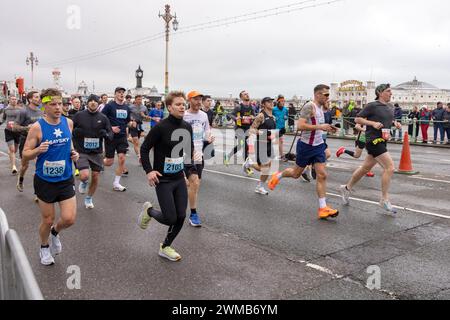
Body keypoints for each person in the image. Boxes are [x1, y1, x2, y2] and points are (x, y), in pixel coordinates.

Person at [22, 88, 79, 266]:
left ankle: (55, 232)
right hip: (45, 180)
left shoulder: (68, 122)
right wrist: (38, 150)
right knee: (47, 219)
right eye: (52, 104)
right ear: (44, 106)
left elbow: (69, 143)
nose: (57, 107)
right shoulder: (37, 127)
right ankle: (44, 247)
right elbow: (25, 154)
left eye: (60, 104)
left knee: (69, 218)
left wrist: (73, 153)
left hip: (65, 177)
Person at [267, 84, 339, 219]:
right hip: (306, 146)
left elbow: (320, 125)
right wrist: (321, 127)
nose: (328, 97)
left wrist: (329, 127)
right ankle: (279, 175)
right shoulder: (309, 106)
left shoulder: (322, 107)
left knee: (322, 175)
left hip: (319, 146)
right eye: (326, 95)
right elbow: (300, 126)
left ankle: (323, 208)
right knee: (295, 174)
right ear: (318, 94)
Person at [138, 91, 194, 262]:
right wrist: (149, 171)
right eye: (178, 104)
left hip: (178, 178)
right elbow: (144, 149)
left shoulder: (186, 126)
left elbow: (187, 152)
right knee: (170, 218)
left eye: (183, 104)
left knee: (181, 216)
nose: (182, 107)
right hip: (163, 179)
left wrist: (187, 173)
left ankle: (165, 246)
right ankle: (149, 211)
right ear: (169, 107)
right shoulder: (160, 127)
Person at [340, 84, 401, 214]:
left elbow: (388, 121)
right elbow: (357, 118)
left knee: (365, 168)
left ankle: (346, 187)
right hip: (373, 140)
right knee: (389, 168)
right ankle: (384, 199)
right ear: (380, 92)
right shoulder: (372, 105)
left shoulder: (390, 107)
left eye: (391, 91)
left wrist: (396, 124)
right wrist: (372, 123)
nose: (391, 93)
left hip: (383, 140)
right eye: (388, 91)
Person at [72, 94, 113, 209]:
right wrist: (75, 132)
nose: (93, 103)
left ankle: (89, 198)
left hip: (96, 152)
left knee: (95, 176)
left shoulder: (103, 118)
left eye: (95, 101)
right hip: (82, 151)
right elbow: (69, 130)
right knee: (84, 176)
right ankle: (84, 182)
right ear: (87, 103)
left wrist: (105, 134)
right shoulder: (79, 116)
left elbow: (110, 134)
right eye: (90, 101)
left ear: (98, 103)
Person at [183, 91, 214, 227]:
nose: (198, 102)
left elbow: (206, 131)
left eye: (200, 99)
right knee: (194, 182)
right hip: (184, 153)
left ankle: (183, 190)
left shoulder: (204, 115)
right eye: (195, 99)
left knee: (195, 185)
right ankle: (193, 214)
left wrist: (209, 140)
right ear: (189, 100)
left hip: (198, 154)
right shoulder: (183, 115)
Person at [243, 97, 277, 195]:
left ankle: (259, 186)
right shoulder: (261, 116)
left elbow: (271, 132)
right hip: (261, 144)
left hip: (269, 144)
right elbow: (252, 129)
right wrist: (263, 133)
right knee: (264, 168)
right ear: (263, 104)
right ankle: (250, 163)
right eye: (268, 102)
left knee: (268, 168)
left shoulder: (273, 117)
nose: (271, 103)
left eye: (272, 102)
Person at [102, 87, 132, 191]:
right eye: (119, 92)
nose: (121, 94)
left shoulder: (126, 107)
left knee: (122, 158)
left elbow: (127, 121)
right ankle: (97, 161)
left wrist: (132, 123)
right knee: (109, 162)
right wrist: (111, 128)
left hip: (122, 137)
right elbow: (101, 120)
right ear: (115, 94)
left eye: (123, 92)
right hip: (111, 137)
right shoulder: (109, 106)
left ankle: (116, 183)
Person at [14, 91, 44, 193]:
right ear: (30, 99)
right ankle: (21, 179)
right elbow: (15, 127)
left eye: (39, 97)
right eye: (36, 97)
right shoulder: (23, 111)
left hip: (39, 142)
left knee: (39, 166)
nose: (38, 98)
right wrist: (27, 128)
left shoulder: (41, 111)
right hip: (26, 141)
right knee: (24, 166)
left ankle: (38, 192)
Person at [224, 90, 255, 170]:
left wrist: (252, 117)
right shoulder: (239, 107)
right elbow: (229, 115)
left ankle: (228, 156)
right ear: (241, 97)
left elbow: (254, 116)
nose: (247, 95)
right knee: (245, 146)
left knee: (241, 146)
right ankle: (247, 168)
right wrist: (235, 118)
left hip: (247, 129)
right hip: (239, 129)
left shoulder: (251, 107)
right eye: (245, 94)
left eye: (247, 93)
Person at [1, 96, 22, 174]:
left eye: (15, 99)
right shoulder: (6, 109)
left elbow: (23, 119)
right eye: (12, 99)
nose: (14, 100)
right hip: (8, 131)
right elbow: (3, 119)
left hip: (17, 131)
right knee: (12, 149)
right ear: (9, 100)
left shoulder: (20, 109)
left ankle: (11, 155)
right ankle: (13, 166)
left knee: (15, 150)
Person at [129, 95, 150, 161]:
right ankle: (139, 156)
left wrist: (144, 116)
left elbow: (147, 118)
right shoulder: (130, 107)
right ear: (135, 100)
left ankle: (129, 139)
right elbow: (127, 116)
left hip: (140, 125)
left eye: (140, 99)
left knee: (138, 140)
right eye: (138, 99)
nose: (139, 101)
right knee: (136, 142)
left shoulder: (144, 108)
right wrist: (131, 121)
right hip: (133, 125)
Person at [272, 95, 288, 160]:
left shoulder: (285, 109)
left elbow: (286, 116)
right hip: (275, 127)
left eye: (284, 101)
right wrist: (273, 118)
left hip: (282, 127)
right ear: (278, 102)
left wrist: (286, 117)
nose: (283, 102)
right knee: (276, 142)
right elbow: (270, 115)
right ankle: (277, 155)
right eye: (281, 101)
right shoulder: (274, 109)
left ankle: (281, 155)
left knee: (281, 141)